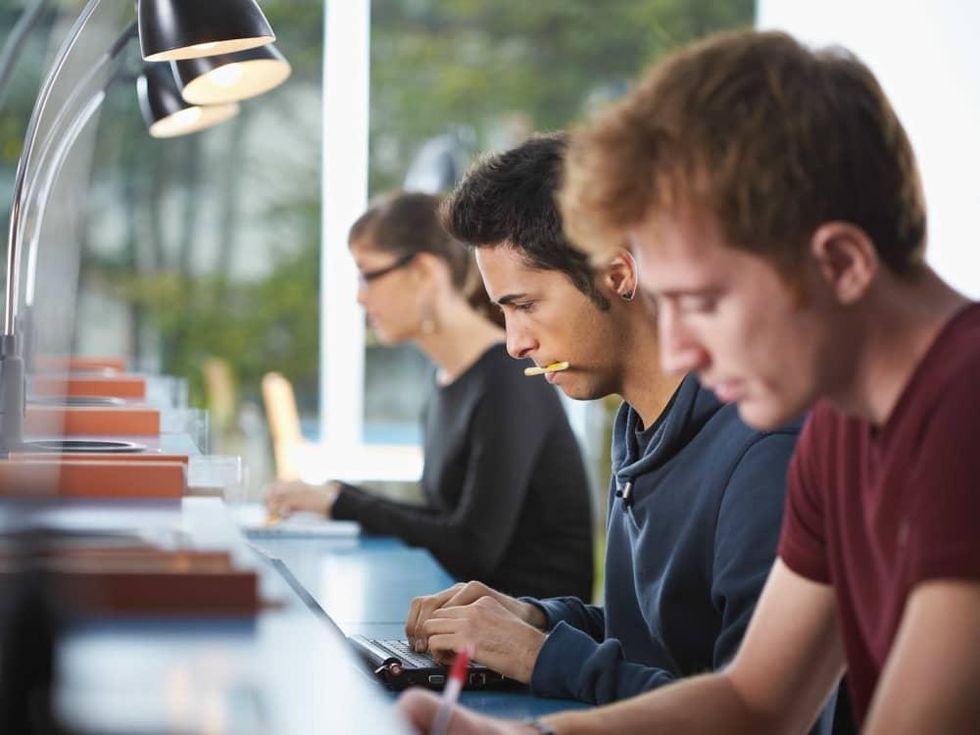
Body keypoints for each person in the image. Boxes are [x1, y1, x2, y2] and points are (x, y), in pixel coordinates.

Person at [398, 30, 980, 734]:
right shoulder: (840, 425)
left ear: (843, 264)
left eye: (701, 303)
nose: (677, 348)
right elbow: (754, 701)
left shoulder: (962, 413)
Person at [403, 134, 819, 715]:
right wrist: (536, 618)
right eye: (503, 312)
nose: (516, 343)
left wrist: (540, 656)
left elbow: (747, 713)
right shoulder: (640, 424)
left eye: (524, 305)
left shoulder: (767, 451)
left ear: (618, 273)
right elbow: (661, 642)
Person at [266, 192, 593, 601]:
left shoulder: (510, 379)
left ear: (423, 271)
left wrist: (342, 503)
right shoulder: (447, 378)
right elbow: (445, 519)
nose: (359, 296)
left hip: (525, 638)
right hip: (467, 616)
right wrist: (336, 495)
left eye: (368, 274)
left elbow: (473, 546)